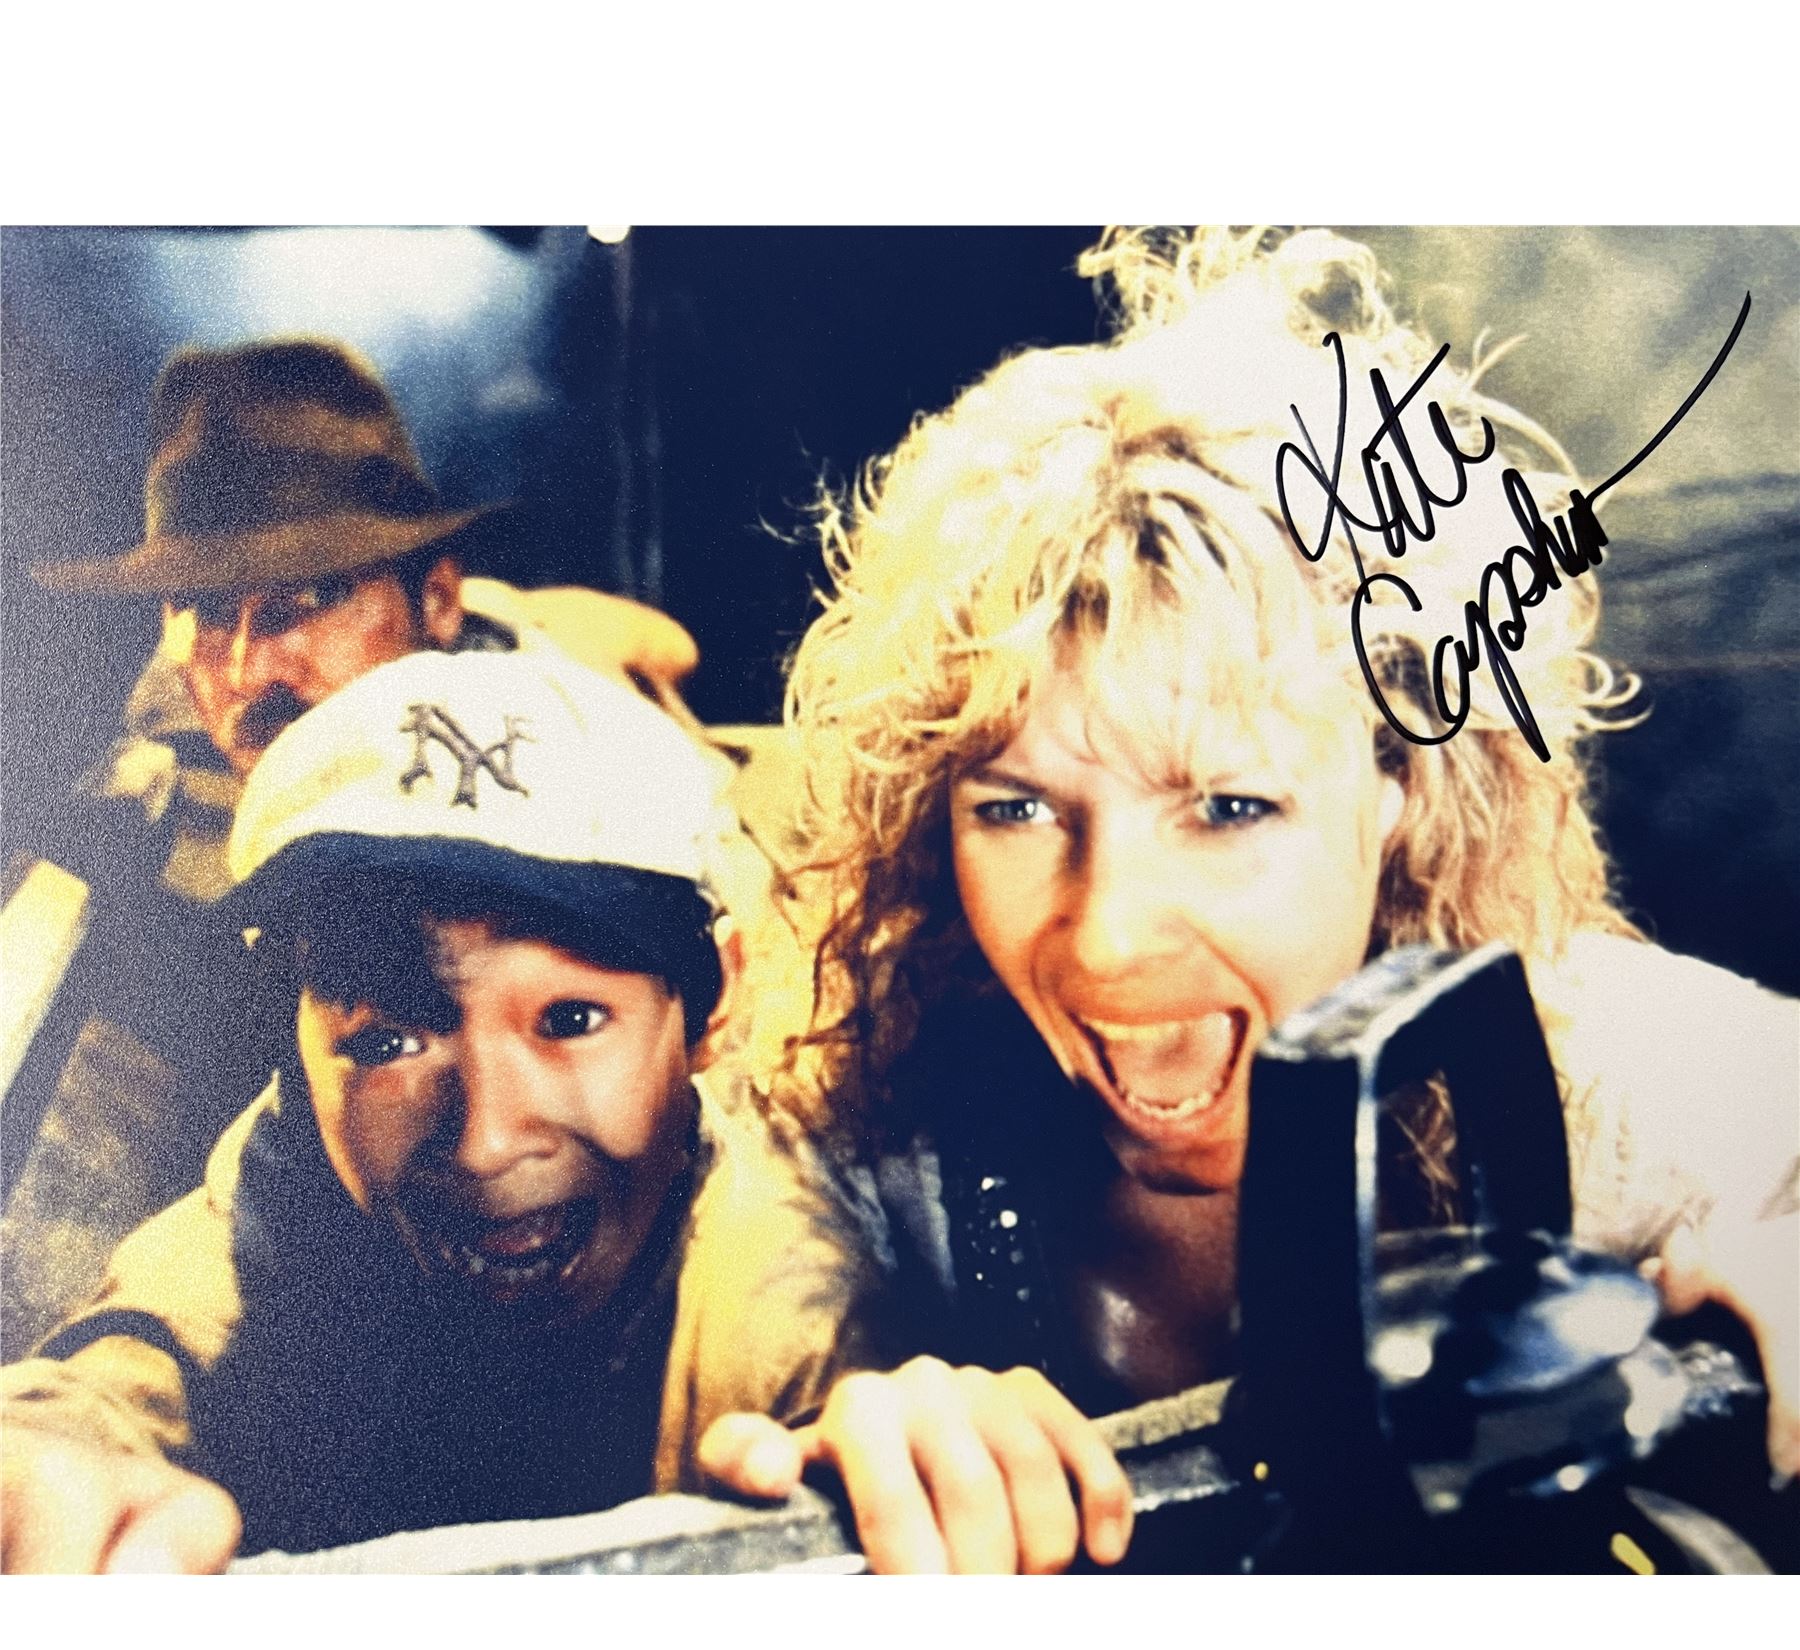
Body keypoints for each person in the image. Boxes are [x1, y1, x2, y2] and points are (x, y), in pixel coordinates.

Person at [738, 225, 1798, 1555]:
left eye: (1229, 807)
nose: (1107, 937)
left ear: (1404, 785)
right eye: (1014, 808)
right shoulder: (871, 1136)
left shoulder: (1623, 1086)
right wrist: (861, 1441)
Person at [0, 648, 1130, 1573]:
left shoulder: (768, 1274)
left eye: (571, 1020)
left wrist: (900, 1464)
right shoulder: (270, 1208)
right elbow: (119, 1376)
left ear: (712, 1007)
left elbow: (834, 1377)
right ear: (296, 1053)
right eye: (388, 1042)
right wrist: (47, 1462)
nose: (488, 1140)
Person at [2, 340, 703, 1356]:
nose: (251, 668)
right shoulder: (135, 853)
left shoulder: (611, 785)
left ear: (440, 601)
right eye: (207, 613)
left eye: (305, 601)